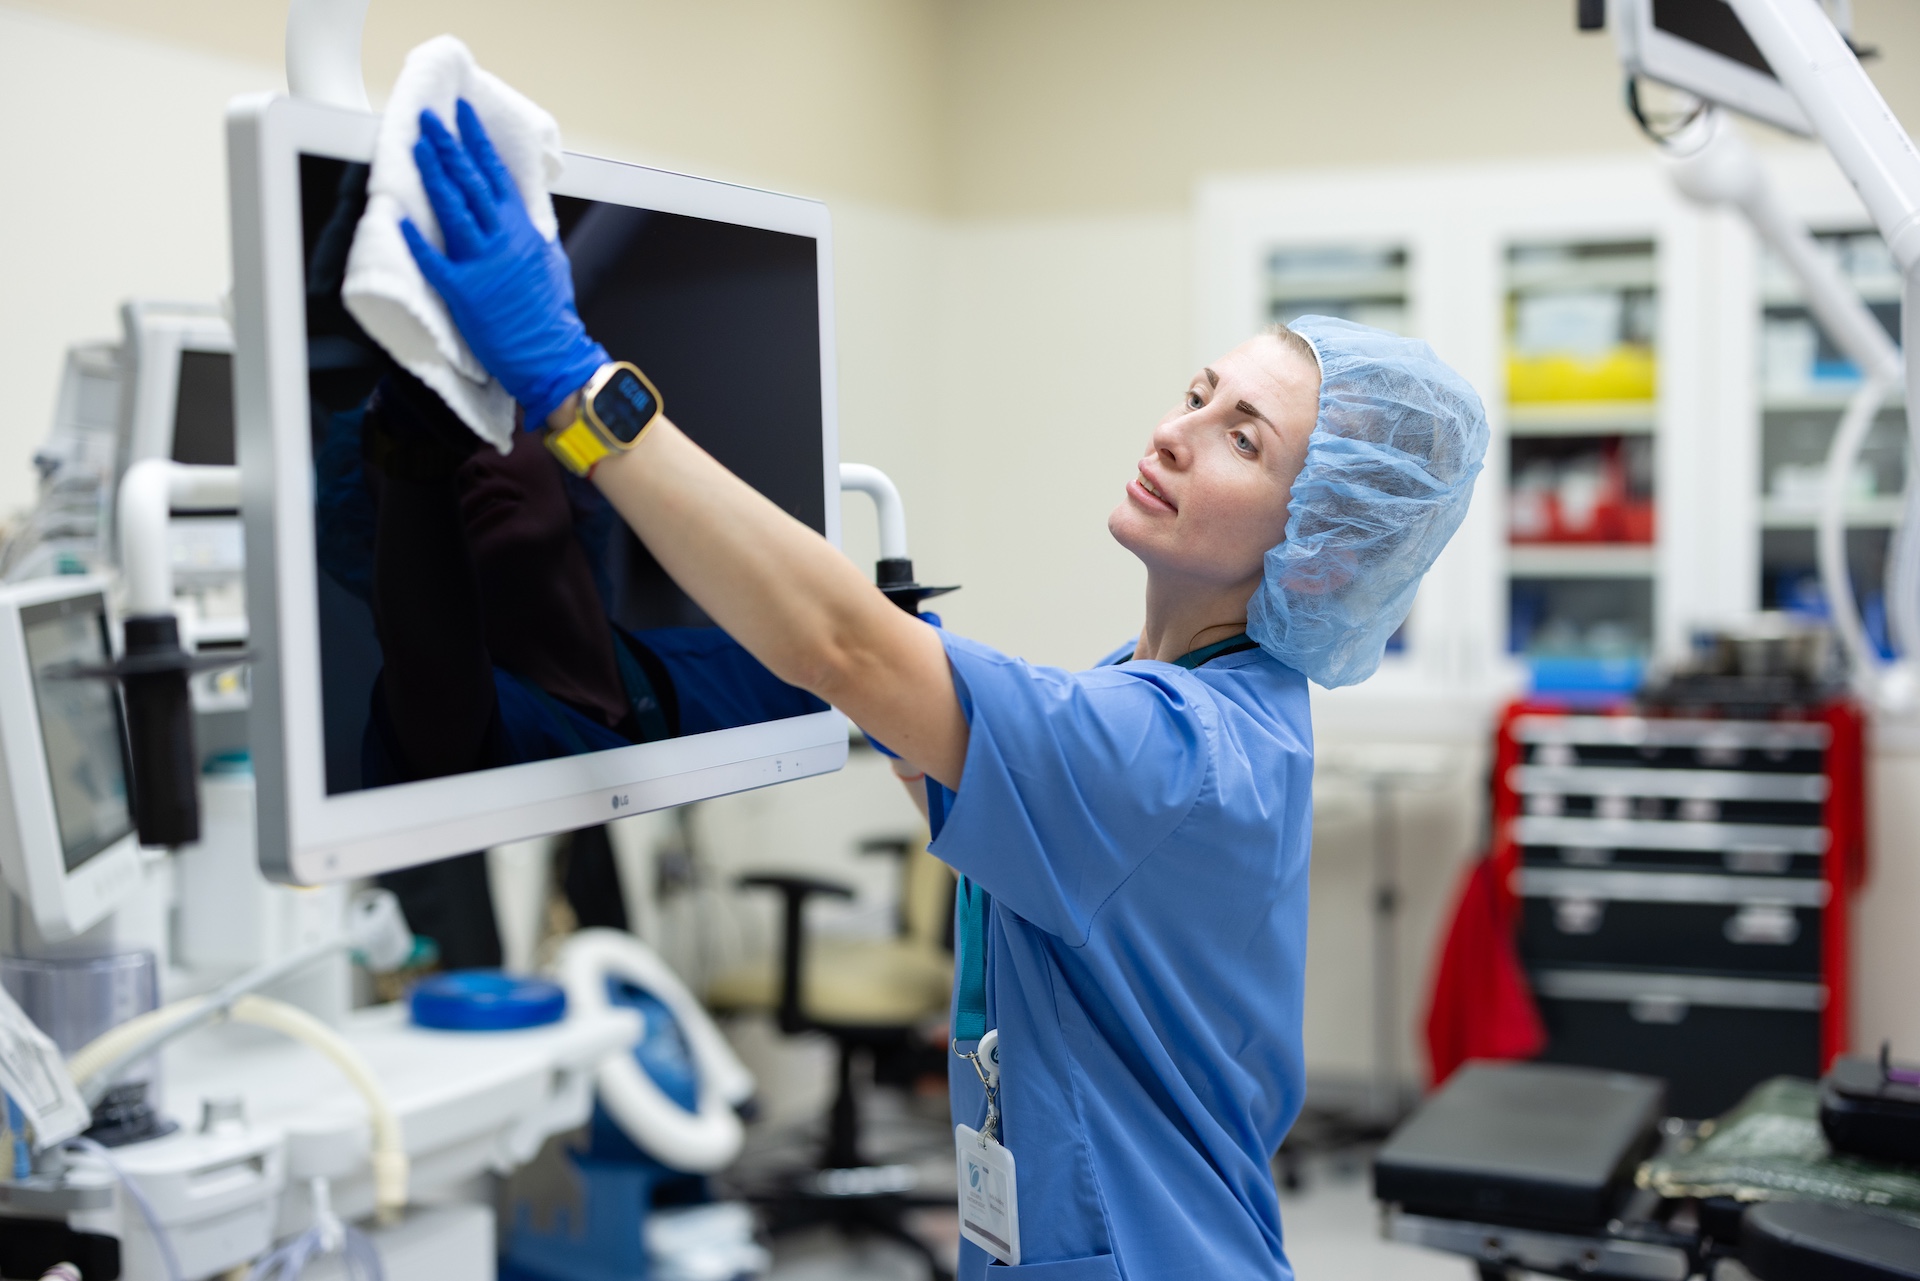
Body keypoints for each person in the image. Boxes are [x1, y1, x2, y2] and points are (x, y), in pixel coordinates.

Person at [400, 101, 1488, 1280]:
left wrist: (576, 388)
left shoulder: (1168, 751)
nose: (1176, 433)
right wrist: (885, 684)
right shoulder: (1174, 694)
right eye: (1196, 392)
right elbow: (940, 758)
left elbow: (838, 645)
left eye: (1243, 440)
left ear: (1321, 553)